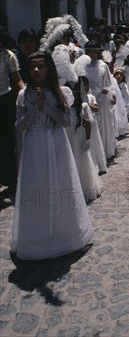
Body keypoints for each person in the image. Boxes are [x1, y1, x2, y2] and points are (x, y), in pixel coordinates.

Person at [11, 51, 93, 260]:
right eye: (32, 67)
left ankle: (63, 234)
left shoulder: (60, 92)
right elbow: (19, 126)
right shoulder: (24, 94)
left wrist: (45, 106)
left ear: (49, 69)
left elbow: (66, 121)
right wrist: (33, 111)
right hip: (34, 145)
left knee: (60, 185)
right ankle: (37, 237)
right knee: (37, 187)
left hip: (56, 142)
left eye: (41, 66)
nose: (37, 70)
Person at [0, 28, 24, 191]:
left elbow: (17, 80)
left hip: (4, 100)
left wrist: (23, 97)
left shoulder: (8, 56)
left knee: (6, 140)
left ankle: (9, 177)